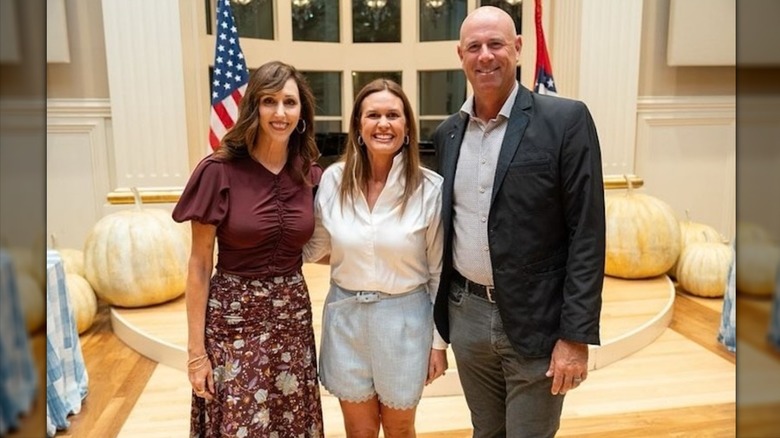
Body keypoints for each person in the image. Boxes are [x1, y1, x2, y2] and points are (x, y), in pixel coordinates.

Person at [431, 6, 606, 438]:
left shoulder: (566, 121)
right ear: (461, 55)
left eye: (496, 44)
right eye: (475, 46)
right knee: (485, 432)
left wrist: (575, 336)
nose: (486, 55)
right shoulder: (447, 134)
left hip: (538, 322)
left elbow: (587, 233)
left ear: (518, 48)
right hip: (467, 317)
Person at [172, 60, 324, 437]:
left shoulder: (308, 173)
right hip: (233, 320)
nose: (279, 112)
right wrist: (196, 354)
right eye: (269, 101)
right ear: (253, 107)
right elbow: (198, 264)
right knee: (240, 424)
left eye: (289, 102)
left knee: (291, 420)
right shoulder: (218, 171)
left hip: (292, 318)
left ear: (301, 111)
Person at [304, 79, 447, 437]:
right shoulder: (334, 180)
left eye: (393, 115)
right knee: (359, 430)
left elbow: (438, 272)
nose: (383, 123)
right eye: (373, 115)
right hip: (346, 318)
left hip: (405, 322)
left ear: (407, 128)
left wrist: (438, 344)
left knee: (400, 428)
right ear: (358, 126)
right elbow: (319, 247)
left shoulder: (430, 189)